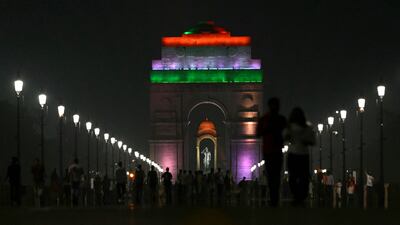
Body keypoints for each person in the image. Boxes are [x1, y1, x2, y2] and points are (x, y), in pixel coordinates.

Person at [256, 97, 287, 207]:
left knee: (272, 175)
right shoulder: (280, 119)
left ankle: (274, 198)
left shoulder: (264, 119)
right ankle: (274, 198)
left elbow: (257, 133)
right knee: (274, 175)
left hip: (270, 151)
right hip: (274, 151)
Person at [284, 107, 316, 206]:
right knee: (302, 177)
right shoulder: (308, 126)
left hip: (293, 154)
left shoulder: (290, 126)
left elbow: (285, 137)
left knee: (293, 177)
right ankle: (300, 196)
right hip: (303, 154)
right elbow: (313, 141)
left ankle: (297, 196)